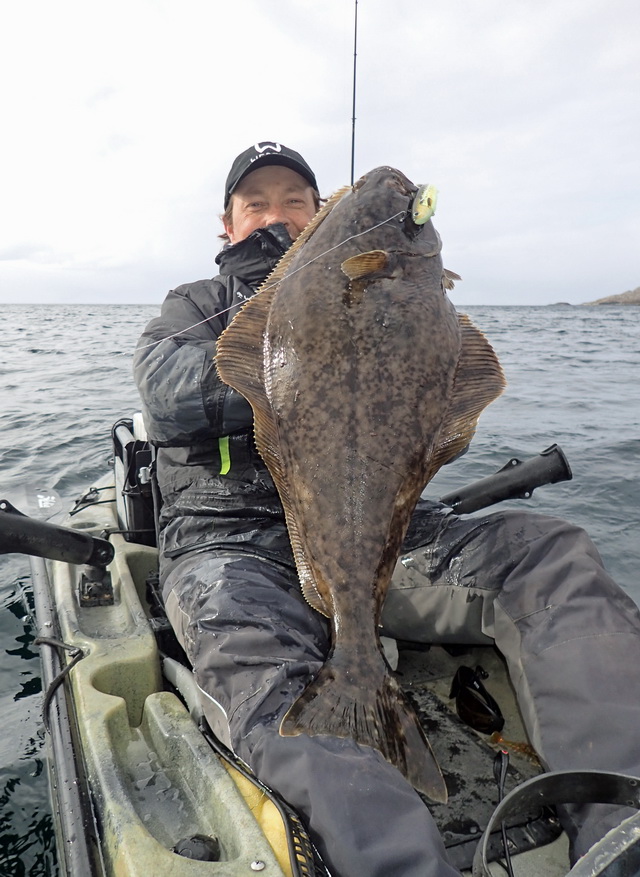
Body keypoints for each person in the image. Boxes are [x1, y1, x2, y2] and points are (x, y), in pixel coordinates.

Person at [133, 141, 640, 877]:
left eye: (294, 200)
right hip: (230, 548)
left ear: (320, 212)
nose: (276, 213)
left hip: (383, 533)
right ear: (227, 222)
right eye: (257, 202)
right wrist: (300, 352)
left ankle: (625, 830)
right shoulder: (196, 306)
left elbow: (444, 388)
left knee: (548, 555)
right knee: (268, 675)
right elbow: (163, 391)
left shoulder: (395, 282)